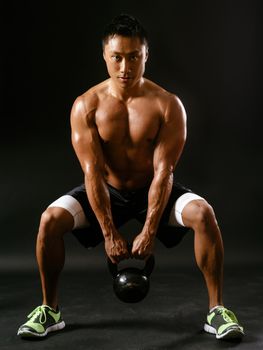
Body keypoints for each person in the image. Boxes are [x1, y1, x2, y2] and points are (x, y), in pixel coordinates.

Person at [17, 14, 244, 340]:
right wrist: (109, 233)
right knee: (49, 220)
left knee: (203, 213)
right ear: (105, 57)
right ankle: (49, 310)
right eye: (117, 57)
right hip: (105, 189)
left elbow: (164, 173)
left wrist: (150, 230)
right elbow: (92, 173)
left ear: (146, 56)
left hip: (154, 187)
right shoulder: (87, 106)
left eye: (134, 56)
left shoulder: (167, 105)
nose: (125, 66)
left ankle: (217, 310)